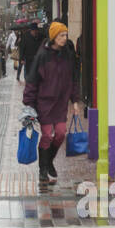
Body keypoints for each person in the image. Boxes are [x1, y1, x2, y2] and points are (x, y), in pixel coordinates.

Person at [21, 21, 83, 190]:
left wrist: (75, 101)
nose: (65, 38)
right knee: (47, 135)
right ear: (54, 36)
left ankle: (49, 162)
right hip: (45, 103)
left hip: (61, 103)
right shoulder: (43, 55)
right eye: (62, 35)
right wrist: (28, 104)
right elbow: (32, 81)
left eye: (65, 35)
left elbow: (73, 79)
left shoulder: (68, 54)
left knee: (61, 133)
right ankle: (43, 169)